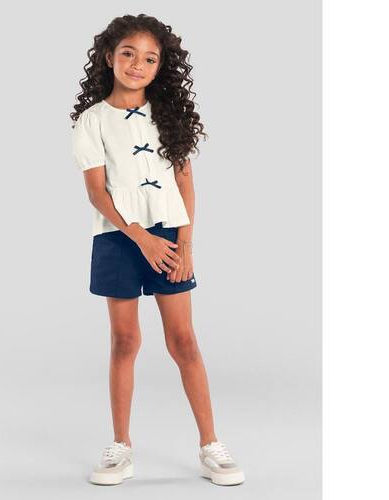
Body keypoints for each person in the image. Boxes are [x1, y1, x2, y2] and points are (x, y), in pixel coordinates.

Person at [70, 13, 245, 487]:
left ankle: (210, 444)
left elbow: (185, 183)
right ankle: (120, 446)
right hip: (118, 237)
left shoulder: (170, 116)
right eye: (128, 54)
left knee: (183, 340)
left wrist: (183, 243)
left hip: (170, 236)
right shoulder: (91, 121)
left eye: (150, 58)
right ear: (109, 57)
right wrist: (139, 236)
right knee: (125, 340)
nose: (138, 65)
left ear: (160, 66)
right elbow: (97, 193)